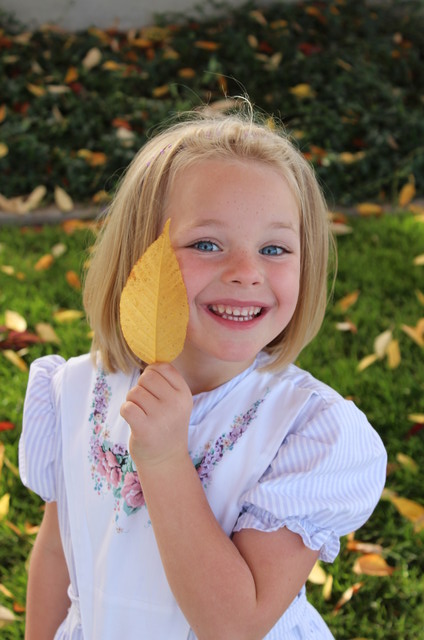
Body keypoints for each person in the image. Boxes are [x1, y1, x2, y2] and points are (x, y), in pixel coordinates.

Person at [19, 102, 387, 640]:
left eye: (275, 248)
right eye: (207, 244)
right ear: (138, 258)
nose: (246, 272)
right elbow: (57, 552)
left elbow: (233, 624)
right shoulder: (75, 391)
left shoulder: (306, 432)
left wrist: (166, 457)